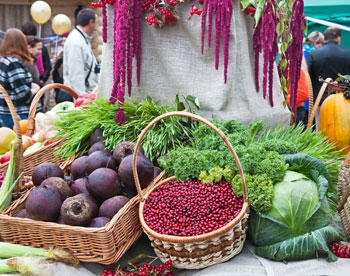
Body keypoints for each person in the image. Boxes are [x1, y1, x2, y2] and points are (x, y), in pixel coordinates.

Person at [307, 27, 350, 128]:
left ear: (324, 39)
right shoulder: (347, 54)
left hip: (320, 100)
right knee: (343, 128)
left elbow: (309, 79)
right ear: (338, 39)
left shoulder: (314, 54)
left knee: (321, 130)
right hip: (343, 99)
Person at [0, 29, 41, 129]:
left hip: (9, 114)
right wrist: (35, 89)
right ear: (21, 43)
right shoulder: (13, 64)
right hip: (18, 116)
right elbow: (23, 94)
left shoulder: (5, 61)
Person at [63, 8, 99, 95]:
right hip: (82, 96)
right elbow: (76, 76)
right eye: (96, 21)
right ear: (91, 22)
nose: (97, 25)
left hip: (87, 94)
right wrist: (81, 101)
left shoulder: (81, 38)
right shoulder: (76, 42)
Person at [21, 22, 52, 87]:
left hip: (38, 82)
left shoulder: (41, 47)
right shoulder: (21, 48)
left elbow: (48, 66)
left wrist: (42, 79)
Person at [52, 33, 73, 103]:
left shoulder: (71, 55)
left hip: (68, 90)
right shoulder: (60, 55)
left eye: (65, 40)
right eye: (62, 41)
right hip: (59, 89)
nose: (63, 43)